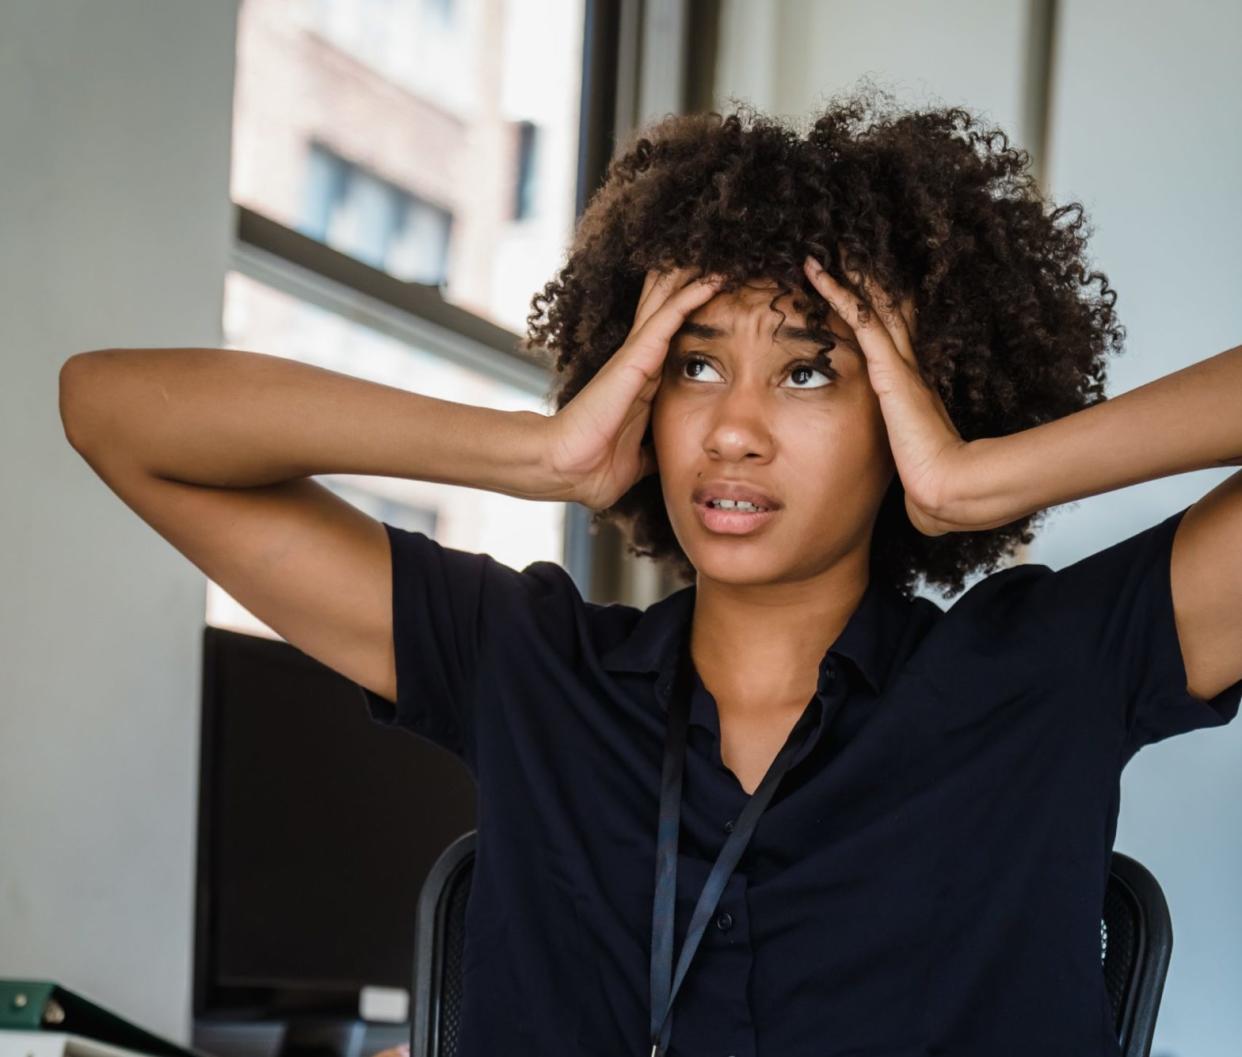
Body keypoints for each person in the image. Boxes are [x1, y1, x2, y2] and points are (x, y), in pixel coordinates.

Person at [60, 84, 1242, 1057]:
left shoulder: (1048, 670)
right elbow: (110, 410)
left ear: (913, 396)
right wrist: (542, 449)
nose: (733, 428)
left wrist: (983, 477)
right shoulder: (526, 662)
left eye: (810, 371)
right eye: (692, 365)